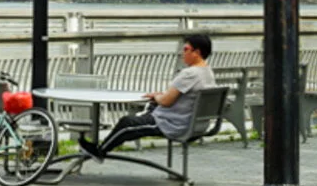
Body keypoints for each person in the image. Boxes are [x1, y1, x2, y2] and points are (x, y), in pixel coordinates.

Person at [80, 31, 216, 160]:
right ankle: (103, 146)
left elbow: (166, 101)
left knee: (127, 123)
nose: (182, 53)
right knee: (147, 110)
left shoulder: (189, 74)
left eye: (186, 49)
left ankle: (100, 151)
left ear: (197, 52)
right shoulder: (207, 72)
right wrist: (160, 97)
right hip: (196, 125)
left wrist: (157, 97)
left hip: (174, 125)